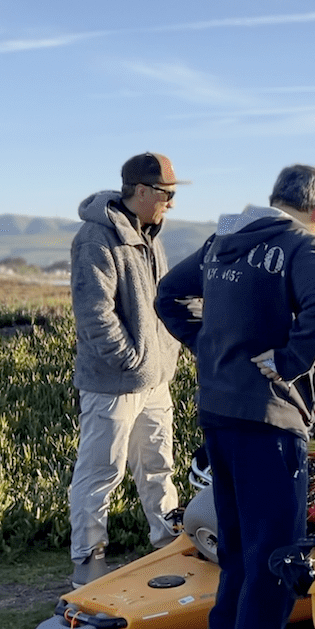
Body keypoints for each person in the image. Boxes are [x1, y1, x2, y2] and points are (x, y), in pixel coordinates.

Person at [156, 164, 315, 629]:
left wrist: (209, 346)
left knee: (239, 547)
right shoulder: (298, 247)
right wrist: (288, 361)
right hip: (269, 423)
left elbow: (169, 294)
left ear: (274, 198)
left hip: (218, 412)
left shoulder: (224, 241)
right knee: (276, 555)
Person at [68, 152, 185, 589]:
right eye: (167, 194)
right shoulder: (96, 239)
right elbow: (94, 314)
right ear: (142, 191)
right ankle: (88, 558)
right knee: (101, 470)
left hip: (155, 381)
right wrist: (131, 359)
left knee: (158, 465)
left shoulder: (150, 235)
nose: (171, 203)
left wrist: (166, 354)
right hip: (115, 383)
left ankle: (169, 543)